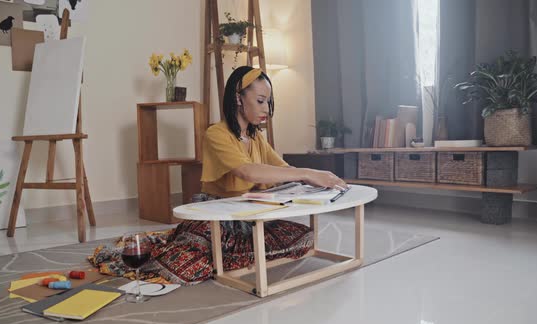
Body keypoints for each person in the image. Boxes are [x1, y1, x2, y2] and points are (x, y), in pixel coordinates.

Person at [89, 66, 347, 285]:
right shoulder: (216, 133)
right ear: (237, 97)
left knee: (304, 238)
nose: (266, 108)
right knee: (189, 267)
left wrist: (313, 179)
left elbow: (283, 170)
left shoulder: (256, 137)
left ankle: (229, 258)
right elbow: (246, 170)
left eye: (268, 101)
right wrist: (308, 172)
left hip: (250, 214)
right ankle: (218, 256)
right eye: (260, 101)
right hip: (218, 215)